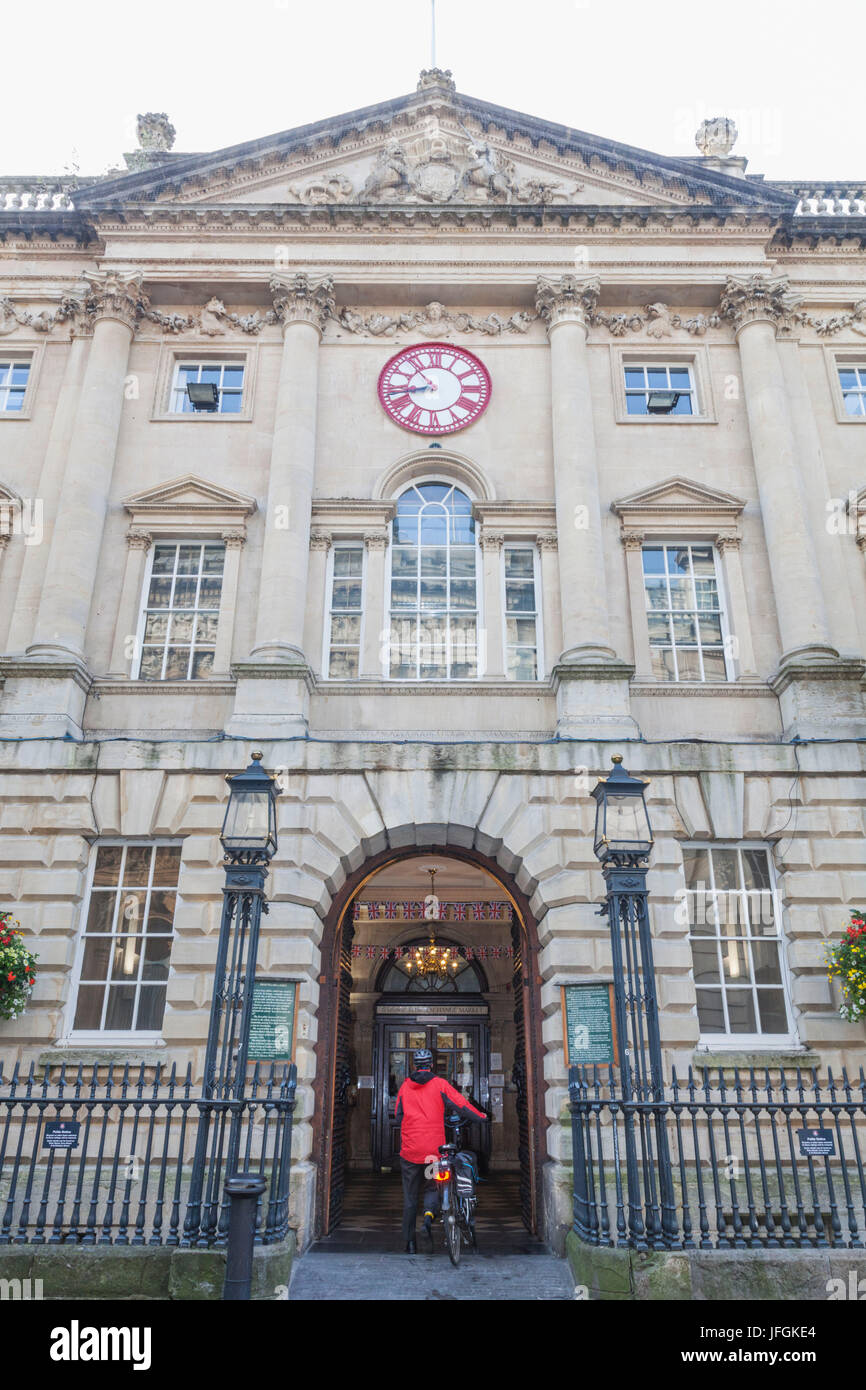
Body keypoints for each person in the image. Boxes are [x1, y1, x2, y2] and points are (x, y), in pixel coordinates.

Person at [394, 1048, 488, 1253]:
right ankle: (428, 1218)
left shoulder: (404, 1088)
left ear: (414, 1066)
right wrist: (481, 1117)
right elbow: (461, 1104)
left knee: (410, 1198)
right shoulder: (439, 1084)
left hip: (410, 1152)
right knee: (432, 1187)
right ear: (432, 1065)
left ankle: (409, 1243)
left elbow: (398, 1116)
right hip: (432, 1151)